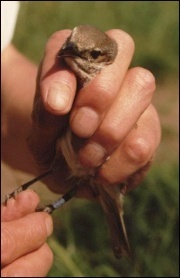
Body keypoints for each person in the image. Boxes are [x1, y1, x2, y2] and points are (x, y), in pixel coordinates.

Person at [1, 2, 161, 277]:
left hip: (94, 174)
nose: (69, 53)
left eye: (91, 54)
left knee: (87, 177)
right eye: (70, 44)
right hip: (68, 164)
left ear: (105, 61)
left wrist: (44, 118)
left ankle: (56, 208)